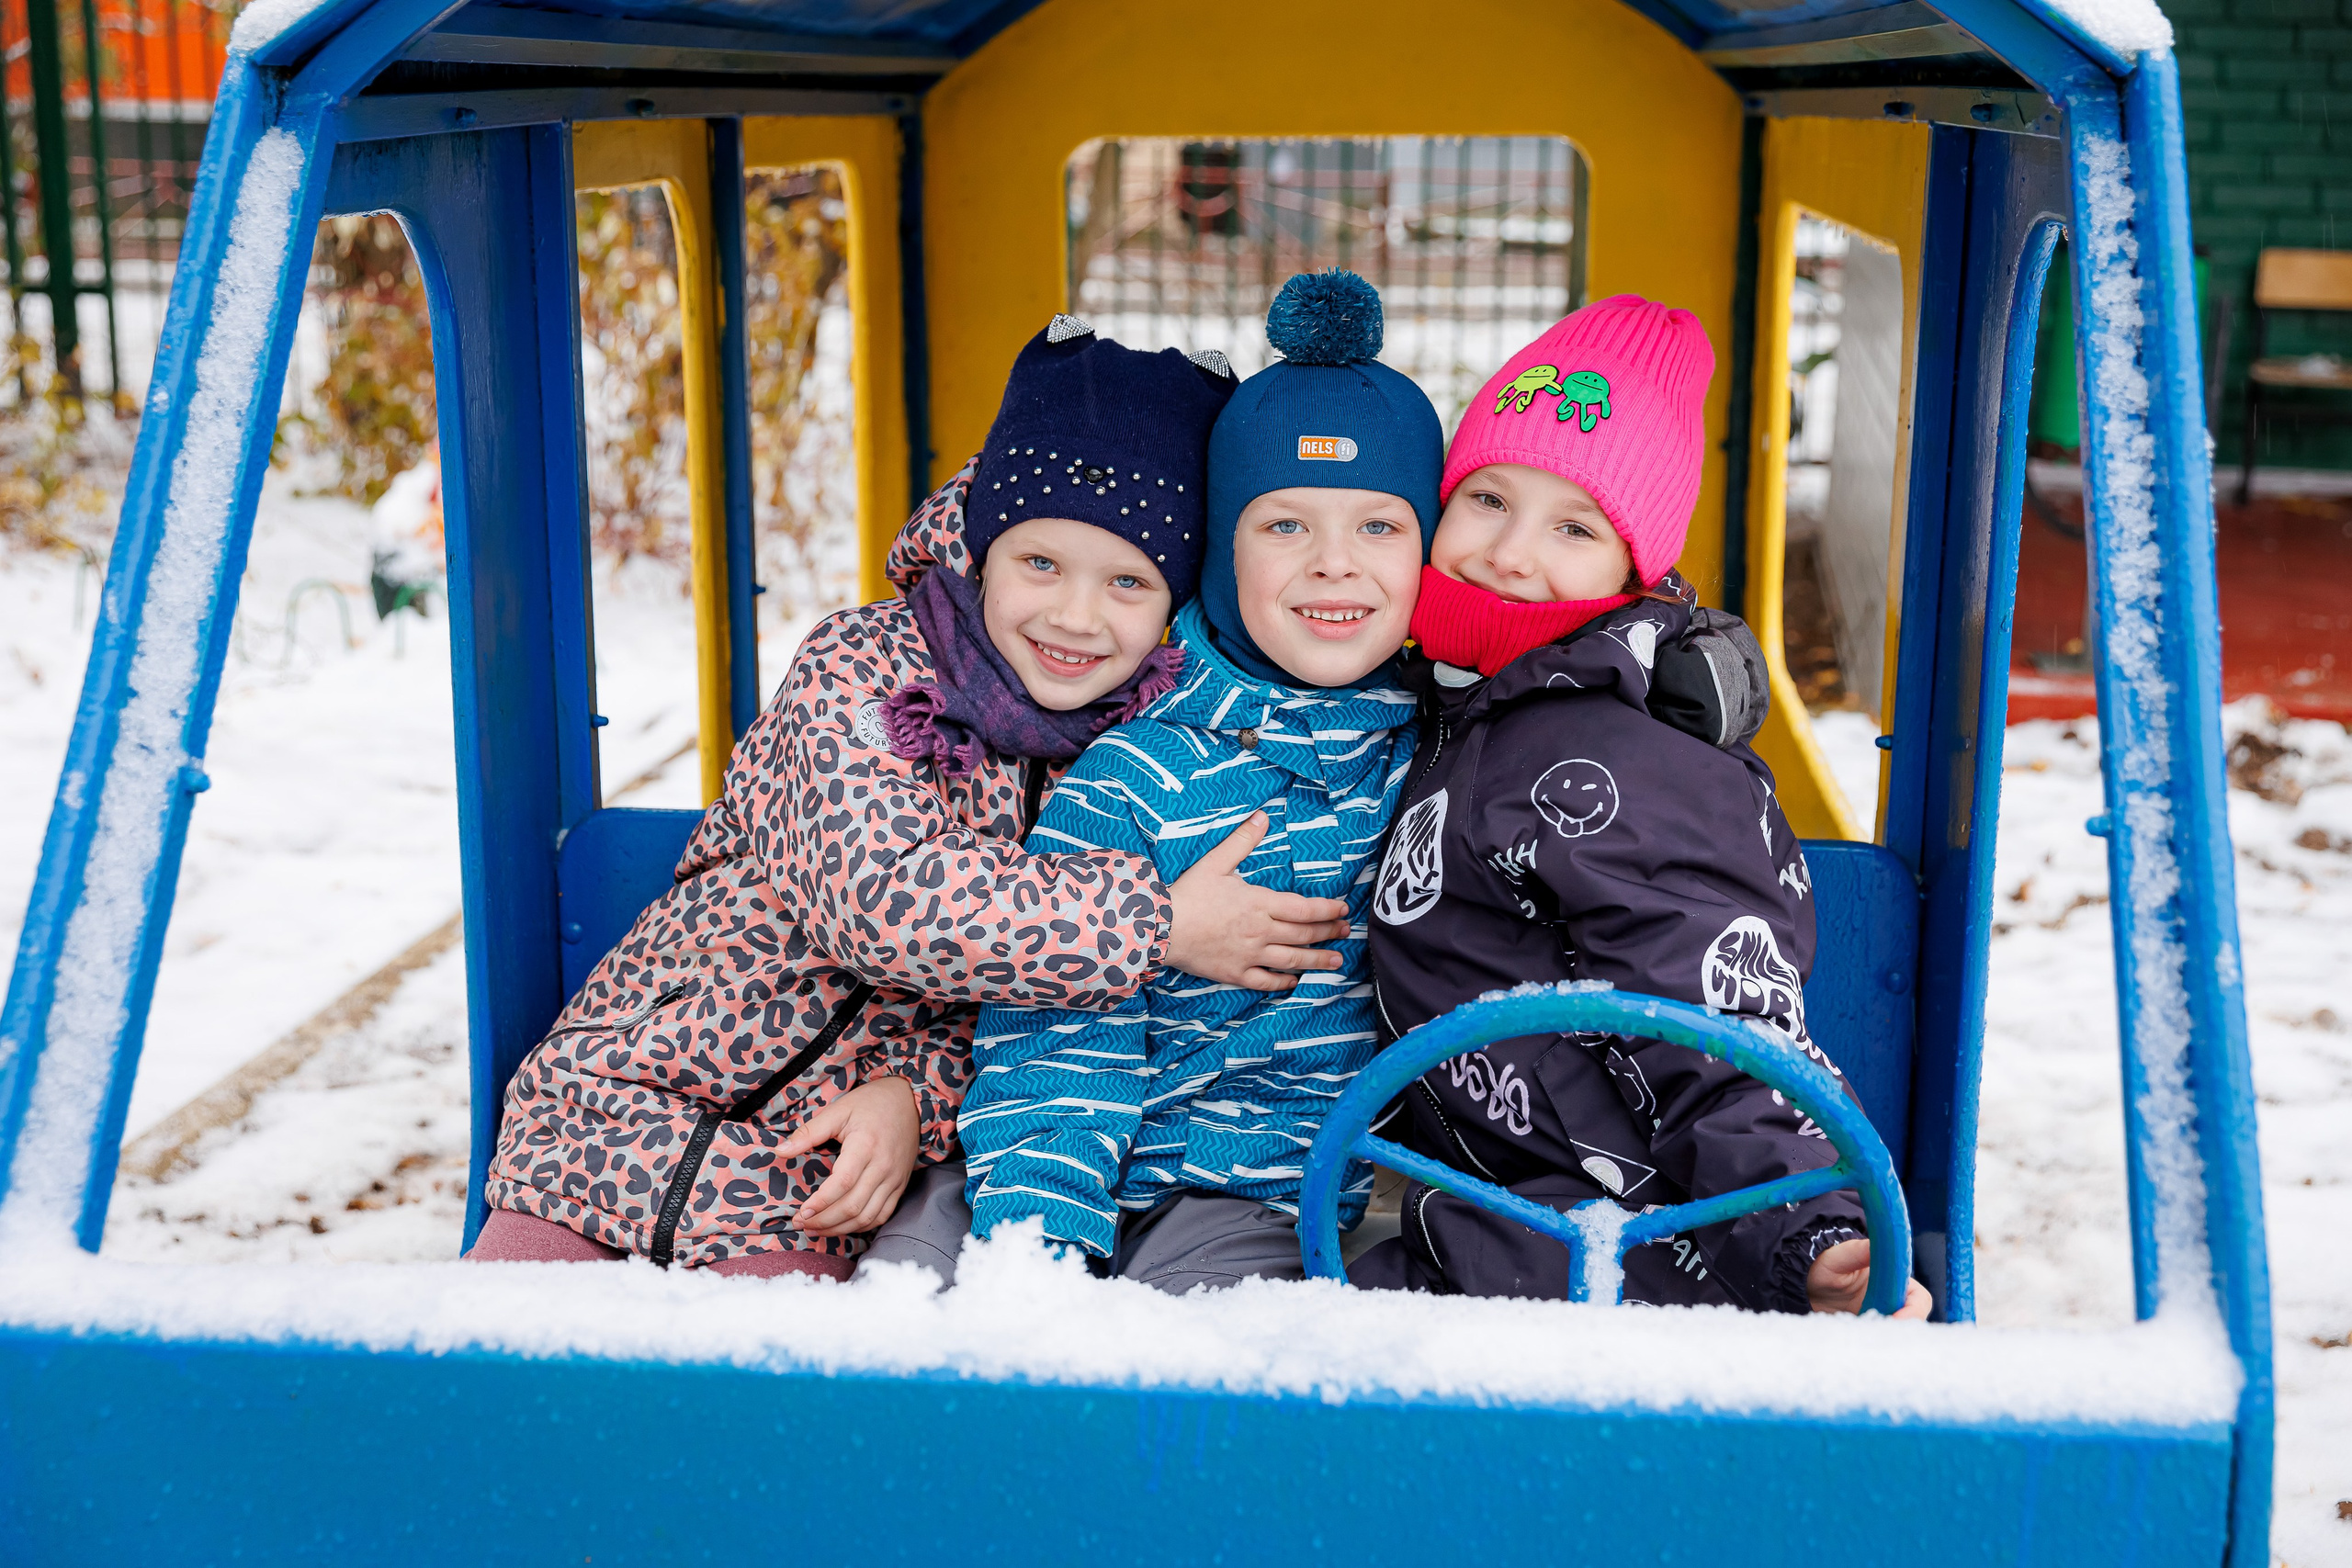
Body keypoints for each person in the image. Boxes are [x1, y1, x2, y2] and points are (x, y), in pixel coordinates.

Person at [469, 317, 1356, 1277]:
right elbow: (883, 900)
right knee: (492, 1384)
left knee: (758, 1413)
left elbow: (1022, 1012)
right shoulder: (865, 670)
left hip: (806, 1180)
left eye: (1127, 583)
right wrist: (1155, 924)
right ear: (983, 551)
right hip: (614, 1111)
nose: (1073, 615)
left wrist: (914, 1102)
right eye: (1041, 564)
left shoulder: (1136, 757)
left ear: (1177, 598)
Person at [1350, 295, 1929, 1317]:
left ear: (1633, 569)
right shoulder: (1457, 698)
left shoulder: (1618, 762)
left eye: (1573, 526)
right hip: (1484, 1191)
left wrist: (1809, 1229)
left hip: (1620, 1247)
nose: (1510, 553)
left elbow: (1709, 1009)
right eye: (1486, 499)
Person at [875, 271, 1438, 1294]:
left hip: (1248, 1192)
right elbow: (1053, 1019)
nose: (1333, 566)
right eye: (1284, 526)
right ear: (1218, 550)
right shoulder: (1140, 772)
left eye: (1378, 527)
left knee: (1200, 1355)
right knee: (907, 1298)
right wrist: (1039, 1253)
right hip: (1038, 1163)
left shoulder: (1435, 766)